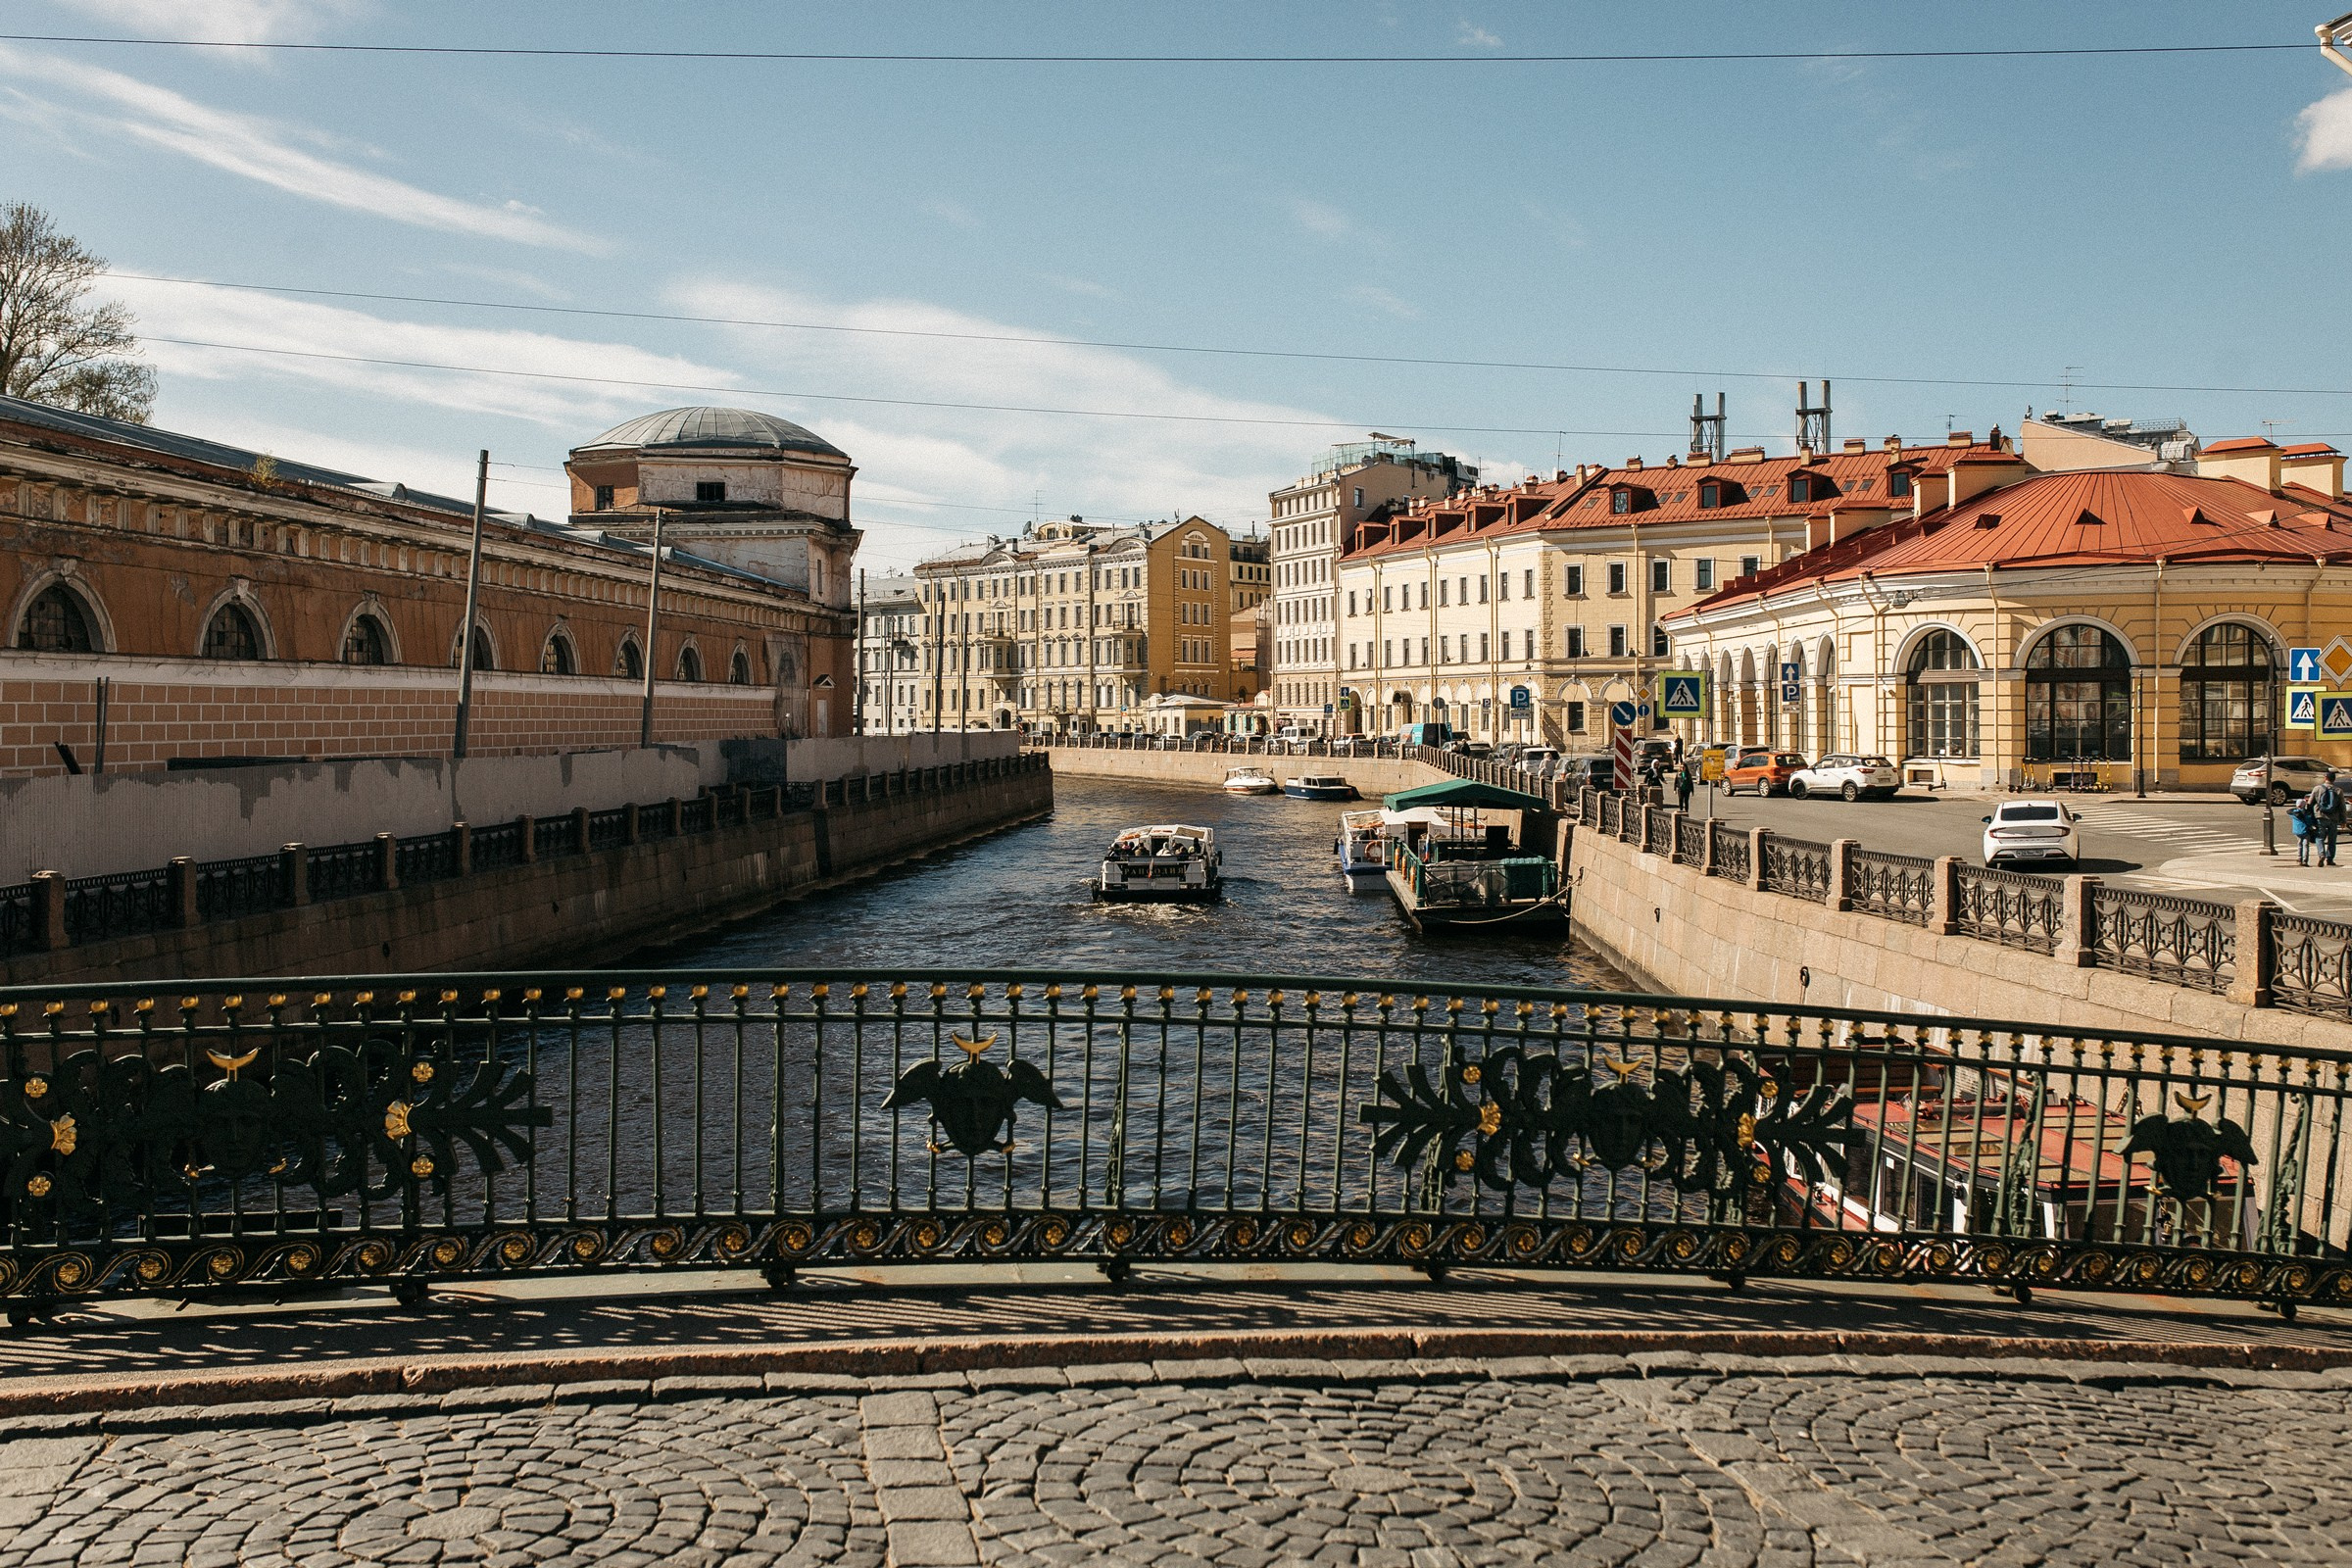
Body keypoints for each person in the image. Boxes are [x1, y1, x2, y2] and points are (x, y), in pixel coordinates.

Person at [2308, 769, 2344, 868]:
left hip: (2320, 816)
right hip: (2334, 818)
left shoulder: (2317, 788)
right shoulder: (2338, 790)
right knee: (2332, 839)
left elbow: (2310, 803)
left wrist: (2309, 817)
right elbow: (2342, 807)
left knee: (2319, 837)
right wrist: (2343, 820)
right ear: (2334, 780)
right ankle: (2330, 859)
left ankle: (2321, 854)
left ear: (2325, 778)